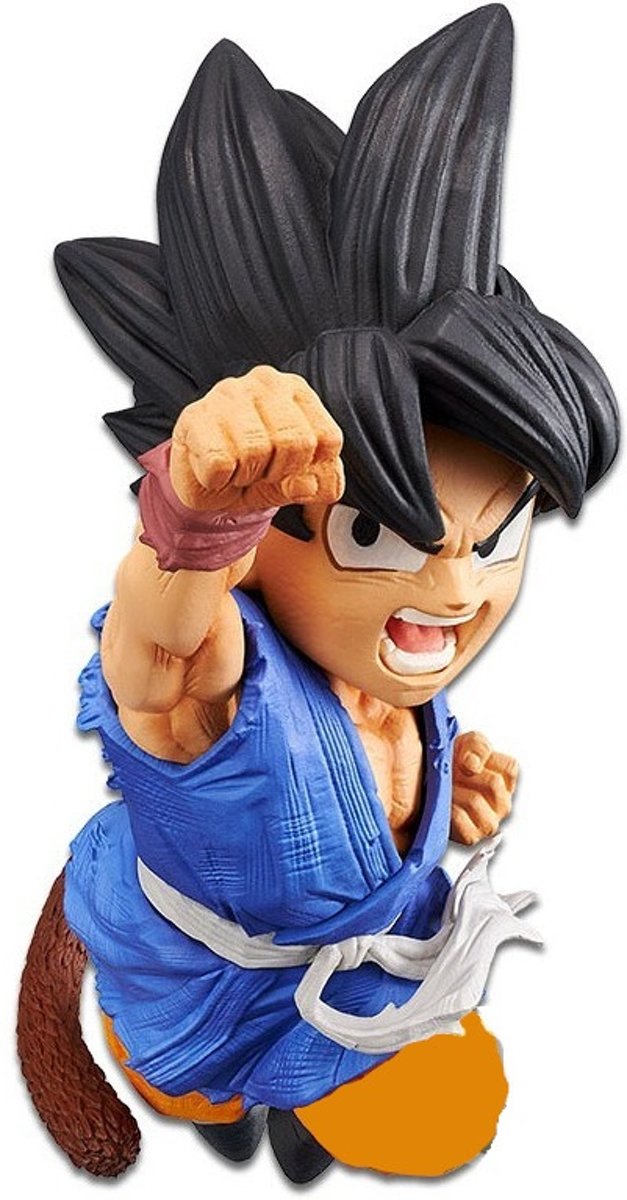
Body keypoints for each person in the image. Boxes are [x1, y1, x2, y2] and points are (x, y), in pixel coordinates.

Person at [17, 5, 619, 1183]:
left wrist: (438, 787)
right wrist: (197, 516)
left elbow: (365, 756)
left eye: (498, 536)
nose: (457, 584)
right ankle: (194, 1089)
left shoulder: (378, 674)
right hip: (208, 990)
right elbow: (157, 653)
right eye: (375, 532)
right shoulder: (220, 675)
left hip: (350, 965)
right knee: (354, 1104)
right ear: (262, 535)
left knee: (440, 1099)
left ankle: (289, 1098)